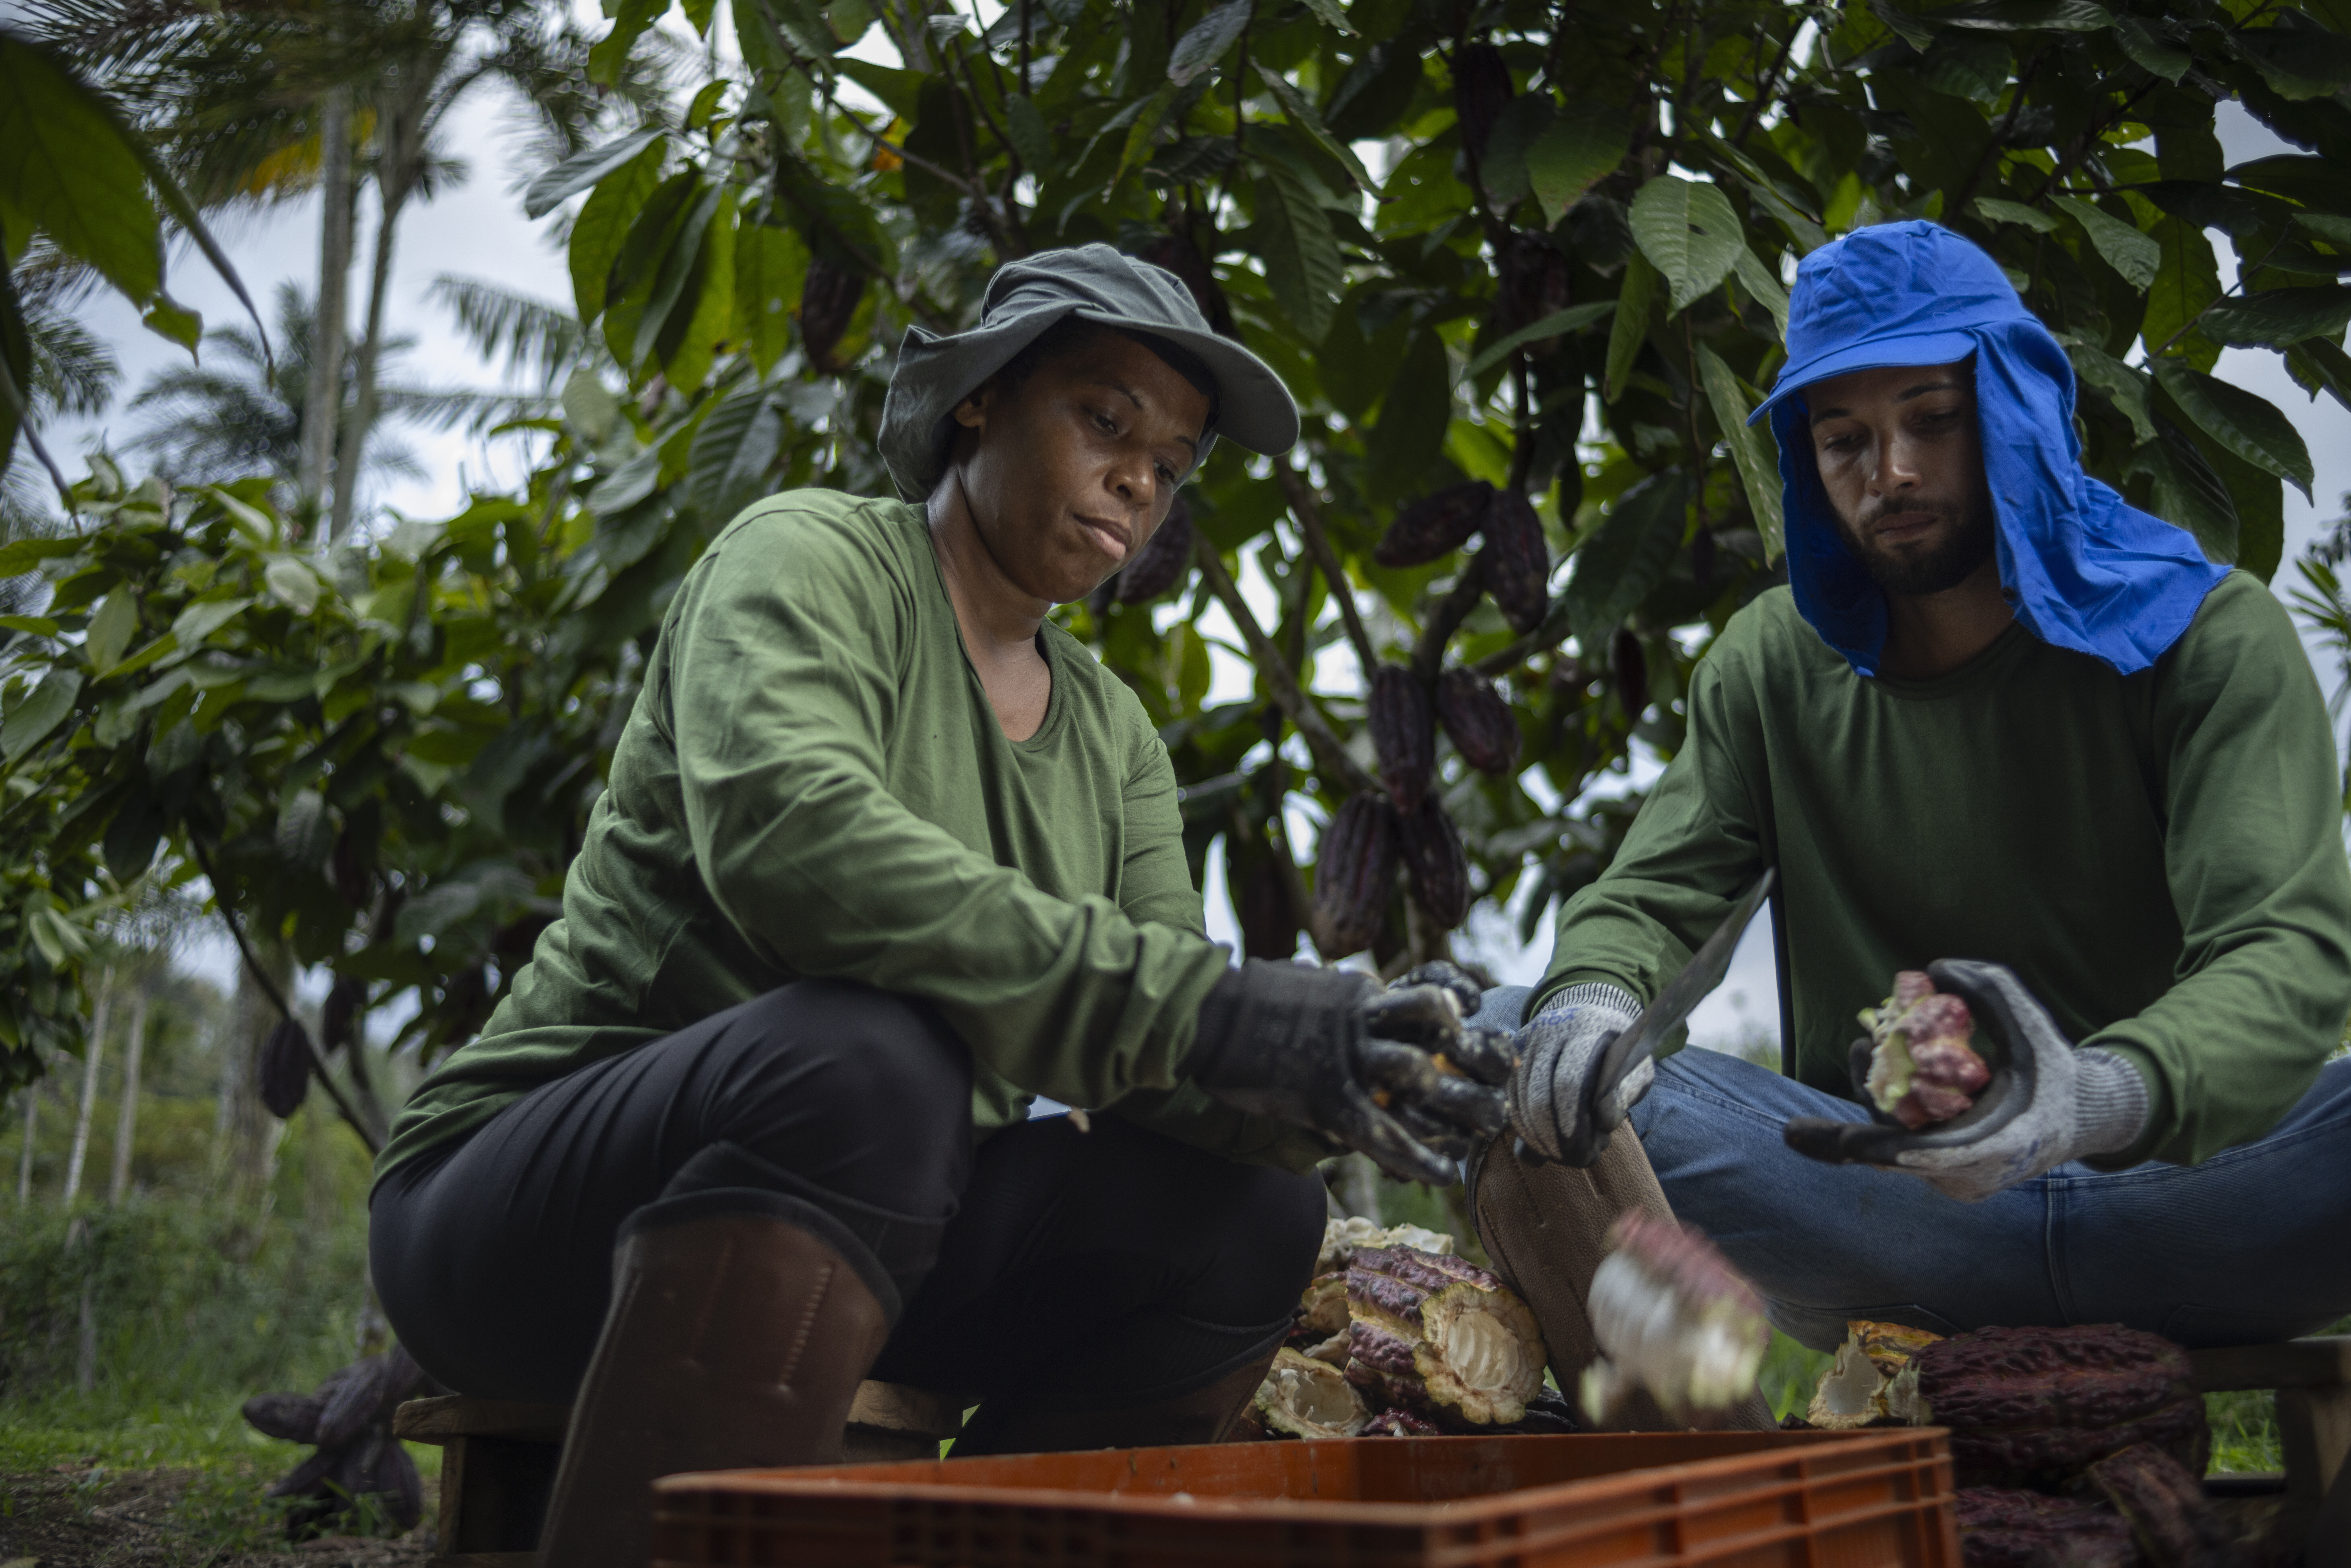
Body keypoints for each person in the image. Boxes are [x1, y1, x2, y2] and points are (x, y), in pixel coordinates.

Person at [367, 245, 1505, 1567]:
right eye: (1104, 419)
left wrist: (1356, 1077)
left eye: (1173, 462)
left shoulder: (1115, 738)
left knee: (1247, 1222)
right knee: (869, 1052)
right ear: (979, 402)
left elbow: (1168, 1064)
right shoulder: (803, 559)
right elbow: (800, 849)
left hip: (873, 1232)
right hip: (532, 1220)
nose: (1139, 479)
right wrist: (1231, 1013)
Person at [1469, 221, 2351, 1406]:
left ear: (2019, 408)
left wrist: (2089, 1097)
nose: (1886, 472)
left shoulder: (2208, 632)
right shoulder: (1767, 665)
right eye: (1842, 440)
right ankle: (1701, 1450)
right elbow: (1648, 902)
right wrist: (1586, 999)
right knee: (1500, 1037)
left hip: (2194, 1203)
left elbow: (2283, 953)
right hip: (1893, 1218)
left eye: (1932, 421)